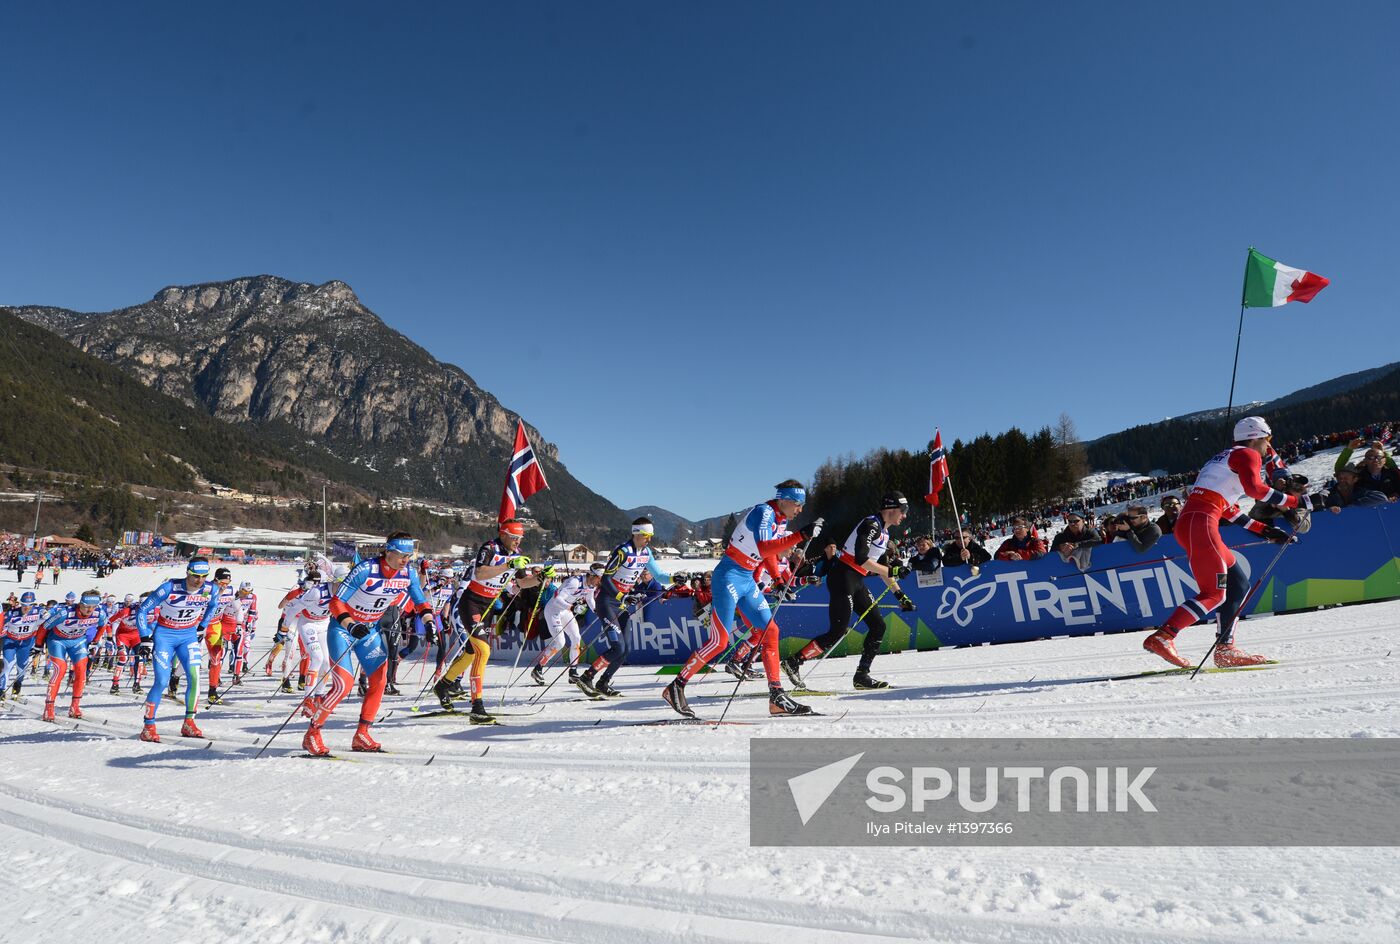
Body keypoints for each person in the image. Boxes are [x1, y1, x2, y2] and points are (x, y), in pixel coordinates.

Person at [1143, 417, 1326, 669]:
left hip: (1197, 522)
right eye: (1268, 440)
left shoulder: (1221, 460)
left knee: (1238, 583)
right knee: (1214, 593)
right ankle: (1164, 636)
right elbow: (1256, 490)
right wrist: (1298, 502)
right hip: (1202, 523)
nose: (1267, 447)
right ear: (1257, 437)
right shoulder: (1247, 455)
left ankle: (1226, 649)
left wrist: (1266, 531)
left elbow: (1230, 511)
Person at [662, 482, 820, 717]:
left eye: (802, 505)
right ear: (784, 499)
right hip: (728, 577)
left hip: (747, 579)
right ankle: (676, 686)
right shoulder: (763, 512)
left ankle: (776, 696)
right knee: (720, 642)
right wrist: (800, 535)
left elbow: (769, 555)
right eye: (798, 504)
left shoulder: (781, 520)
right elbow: (766, 547)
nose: (800, 509)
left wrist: (777, 580)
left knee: (770, 631)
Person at [302, 532, 432, 755]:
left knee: (380, 680)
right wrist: (351, 624)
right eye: (401, 555)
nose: (405, 560)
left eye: (409, 555)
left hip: (369, 631)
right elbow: (336, 602)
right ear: (388, 551)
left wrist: (429, 624)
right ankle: (312, 733)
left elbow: (420, 602)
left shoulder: (408, 572)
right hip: (343, 629)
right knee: (343, 685)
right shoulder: (365, 570)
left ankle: (362, 734)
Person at [782, 491, 914, 691]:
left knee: (878, 626)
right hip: (843, 577)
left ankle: (862, 676)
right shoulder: (871, 524)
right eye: (903, 511)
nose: (904, 516)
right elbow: (861, 557)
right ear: (891, 508)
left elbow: (883, 570)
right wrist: (892, 569)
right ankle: (794, 661)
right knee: (837, 632)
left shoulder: (885, 533)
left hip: (856, 580)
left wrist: (900, 595)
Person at [434, 520, 540, 721]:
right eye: (514, 537)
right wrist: (508, 564)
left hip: (489, 607)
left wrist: (541, 578)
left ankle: (443, 685)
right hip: (471, 603)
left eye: (520, 538)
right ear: (504, 534)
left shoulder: (516, 554)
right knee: (483, 651)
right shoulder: (490, 547)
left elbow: (522, 583)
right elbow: (480, 573)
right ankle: (477, 706)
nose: (517, 542)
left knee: (471, 653)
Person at [576, 518, 669, 699]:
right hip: (607, 602)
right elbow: (606, 579)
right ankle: (586, 677)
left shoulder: (646, 553)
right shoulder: (623, 551)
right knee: (617, 647)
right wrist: (621, 596)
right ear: (636, 534)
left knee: (626, 650)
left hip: (622, 604)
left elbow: (659, 575)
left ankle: (603, 683)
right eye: (645, 536)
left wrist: (674, 579)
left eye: (650, 536)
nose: (648, 540)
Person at [136, 558, 221, 741]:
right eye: (195, 576)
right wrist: (144, 637)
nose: (199, 580)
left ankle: (189, 722)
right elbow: (142, 610)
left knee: (195, 676)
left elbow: (213, 606)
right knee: (162, 681)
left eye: (204, 576)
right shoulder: (169, 588)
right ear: (188, 573)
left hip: (188, 635)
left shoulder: (210, 589)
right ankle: (148, 726)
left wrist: (202, 626)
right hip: (164, 636)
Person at [37, 590, 109, 721]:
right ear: (80, 604)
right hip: (57, 640)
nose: (89, 610)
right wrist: (38, 645)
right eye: (87, 606)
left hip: (78, 641)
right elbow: (44, 627)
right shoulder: (65, 613)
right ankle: (49, 708)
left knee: (82, 669)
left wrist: (95, 641)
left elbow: (103, 625)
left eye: (93, 607)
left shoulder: (99, 613)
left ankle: (75, 706)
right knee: (61, 669)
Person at [531, 562, 603, 686]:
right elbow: (558, 599)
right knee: (560, 642)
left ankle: (573, 671)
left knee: (576, 638)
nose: (599, 582)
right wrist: (573, 606)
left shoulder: (591, 584)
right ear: (592, 575)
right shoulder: (574, 582)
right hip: (554, 609)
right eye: (598, 578)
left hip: (566, 611)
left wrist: (597, 610)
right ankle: (538, 668)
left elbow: (590, 599)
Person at [0, 591, 44, 701]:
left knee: (21, 667)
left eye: (29, 605)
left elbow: (49, 622)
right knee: (7, 665)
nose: (26, 608)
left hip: (26, 644)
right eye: (24, 605)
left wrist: (40, 643)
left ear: (33, 604)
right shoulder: (12, 613)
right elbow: (2, 625)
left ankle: (17, 687)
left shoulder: (38, 612)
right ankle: (1, 690)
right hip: (11, 642)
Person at [1323, 463, 1389, 511]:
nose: (1342, 480)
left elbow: (1382, 498)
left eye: (1346, 478)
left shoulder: (1361, 491)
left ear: (1355, 479)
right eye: (1340, 478)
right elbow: (1320, 501)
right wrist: (1329, 509)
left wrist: (1354, 505)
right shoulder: (1329, 493)